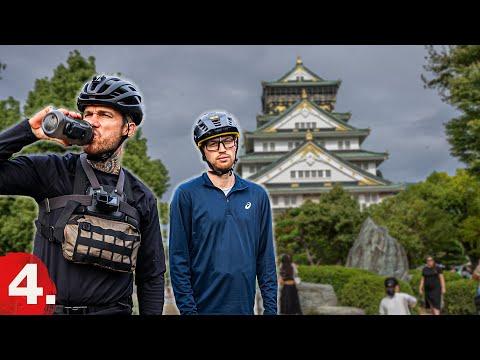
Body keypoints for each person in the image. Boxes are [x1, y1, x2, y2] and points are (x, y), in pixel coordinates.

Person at [0, 75, 166, 315]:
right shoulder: (52, 171)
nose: (93, 122)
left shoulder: (141, 197)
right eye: (88, 114)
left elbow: (151, 276)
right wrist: (28, 131)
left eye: (105, 115)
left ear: (129, 128)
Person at [169, 110, 277, 315]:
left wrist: (270, 310)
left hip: (245, 309)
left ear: (236, 145)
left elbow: (265, 260)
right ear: (203, 151)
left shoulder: (257, 195)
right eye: (213, 144)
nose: (222, 149)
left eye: (228, 141)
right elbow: (178, 260)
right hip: (202, 309)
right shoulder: (186, 195)